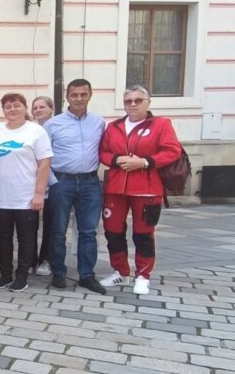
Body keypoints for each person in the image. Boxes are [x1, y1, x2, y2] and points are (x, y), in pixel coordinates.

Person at [98, 85, 182, 295]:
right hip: (116, 188)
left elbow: (172, 151)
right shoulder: (114, 126)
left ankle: (143, 275)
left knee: (143, 234)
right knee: (113, 231)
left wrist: (145, 162)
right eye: (128, 101)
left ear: (148, 102)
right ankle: (120, 270)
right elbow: (103, 152)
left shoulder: (160, 124)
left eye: (138, 100)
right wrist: (117, 159)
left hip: (146, 188)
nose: (133, 104)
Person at [44, 79, 107, 294]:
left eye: (83, 94)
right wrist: (53, 182)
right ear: (66, 96)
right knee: (58, 230)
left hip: (90, 182)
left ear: (90, 95)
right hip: (62, 181)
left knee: (89, 231)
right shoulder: (53, 124)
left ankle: (87, 275)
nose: (79, 99)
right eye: (74, 95)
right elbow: (43, 156)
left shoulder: (99, 122)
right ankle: (59, 272)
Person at [0, 93, 53, 292]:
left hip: (25, 197)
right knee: (3, 237)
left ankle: (22, 276)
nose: (12, 110)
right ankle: (6, 274)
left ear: (25, 108)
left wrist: (39, 194)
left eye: (17, 105)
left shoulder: (35, 131)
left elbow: (45, 163)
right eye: (8, 107)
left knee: (25, 238)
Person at [29, 96, 56, 276]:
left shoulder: (56, 126)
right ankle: (30, 259)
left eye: (42, 107)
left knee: (51, 223)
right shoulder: (31, 129)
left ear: (51, 109)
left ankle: (46, 259)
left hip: (54, 181)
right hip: (33, 182)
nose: (38, 110)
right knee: (31, 225)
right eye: (35, 107)